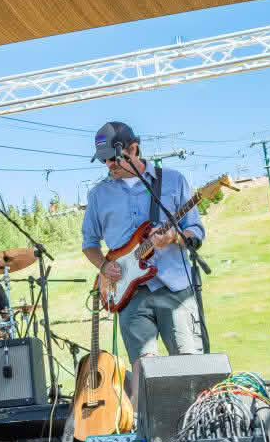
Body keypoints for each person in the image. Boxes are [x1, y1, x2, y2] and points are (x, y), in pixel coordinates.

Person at [81, 122, 206, 409]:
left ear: (133, 149)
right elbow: (89, 244)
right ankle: (144, 427)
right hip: (129, 294)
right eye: (103, 160)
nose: (108, 165)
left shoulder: (173, 180)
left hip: (175, 288)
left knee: (188, 363)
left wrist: (173, 237)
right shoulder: (98, 195)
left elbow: (196, 232)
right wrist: (104, 267)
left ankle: (196, 422)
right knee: (143, 370)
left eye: (113, 158)